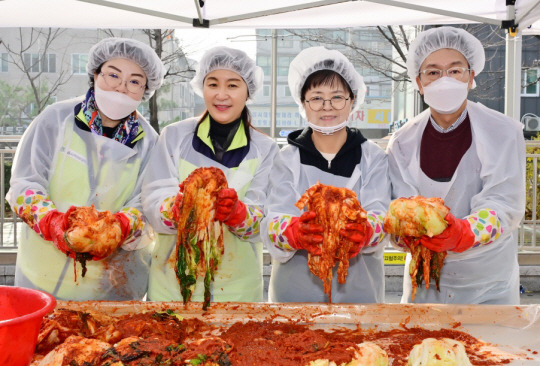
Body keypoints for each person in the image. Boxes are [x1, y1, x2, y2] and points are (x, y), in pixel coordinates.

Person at [6, 37, 165, 301]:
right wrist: (53, 223)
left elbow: (148, 202)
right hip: (43, 277)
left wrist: (122, 226)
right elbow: (24, 184)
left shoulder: (148, 141)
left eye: (135, 81)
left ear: (146, 89)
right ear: (95, 73)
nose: (121, 88)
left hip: (110, 287)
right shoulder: (55, 120)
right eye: (113, 75)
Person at [387, 26, 525, 304]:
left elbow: (504, 202)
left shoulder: (503, 131)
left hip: (488, 280)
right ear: (419, 82)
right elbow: (400, 207)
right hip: (426, 279)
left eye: (455, 70)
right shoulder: (403, 141)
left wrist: (463, 232)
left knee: (491, 346)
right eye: (433, 72)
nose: (444, 80)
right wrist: (406, 234)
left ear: (471, 77)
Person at [142, 46, 279, 302]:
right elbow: (152, 199)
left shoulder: (265, 150)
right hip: (171, 287)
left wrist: (238, 213)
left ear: (248, 91)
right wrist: (176, 209)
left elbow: (266, 219)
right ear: (201, 87)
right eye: (213, 84)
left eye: (233, 85)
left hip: (236, 292)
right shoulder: (174, 137)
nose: (221, 95)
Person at [262, 47, 391, 303]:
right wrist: (294, 231)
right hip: (294, 296)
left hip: (359, 294)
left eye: (337, 97)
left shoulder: (373, 158)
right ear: (303, 103)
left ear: (352, 100)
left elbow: (382, 216)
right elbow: (273, 218)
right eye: (317, 98)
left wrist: (365, 230)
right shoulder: (286, 158)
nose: (327, 107)